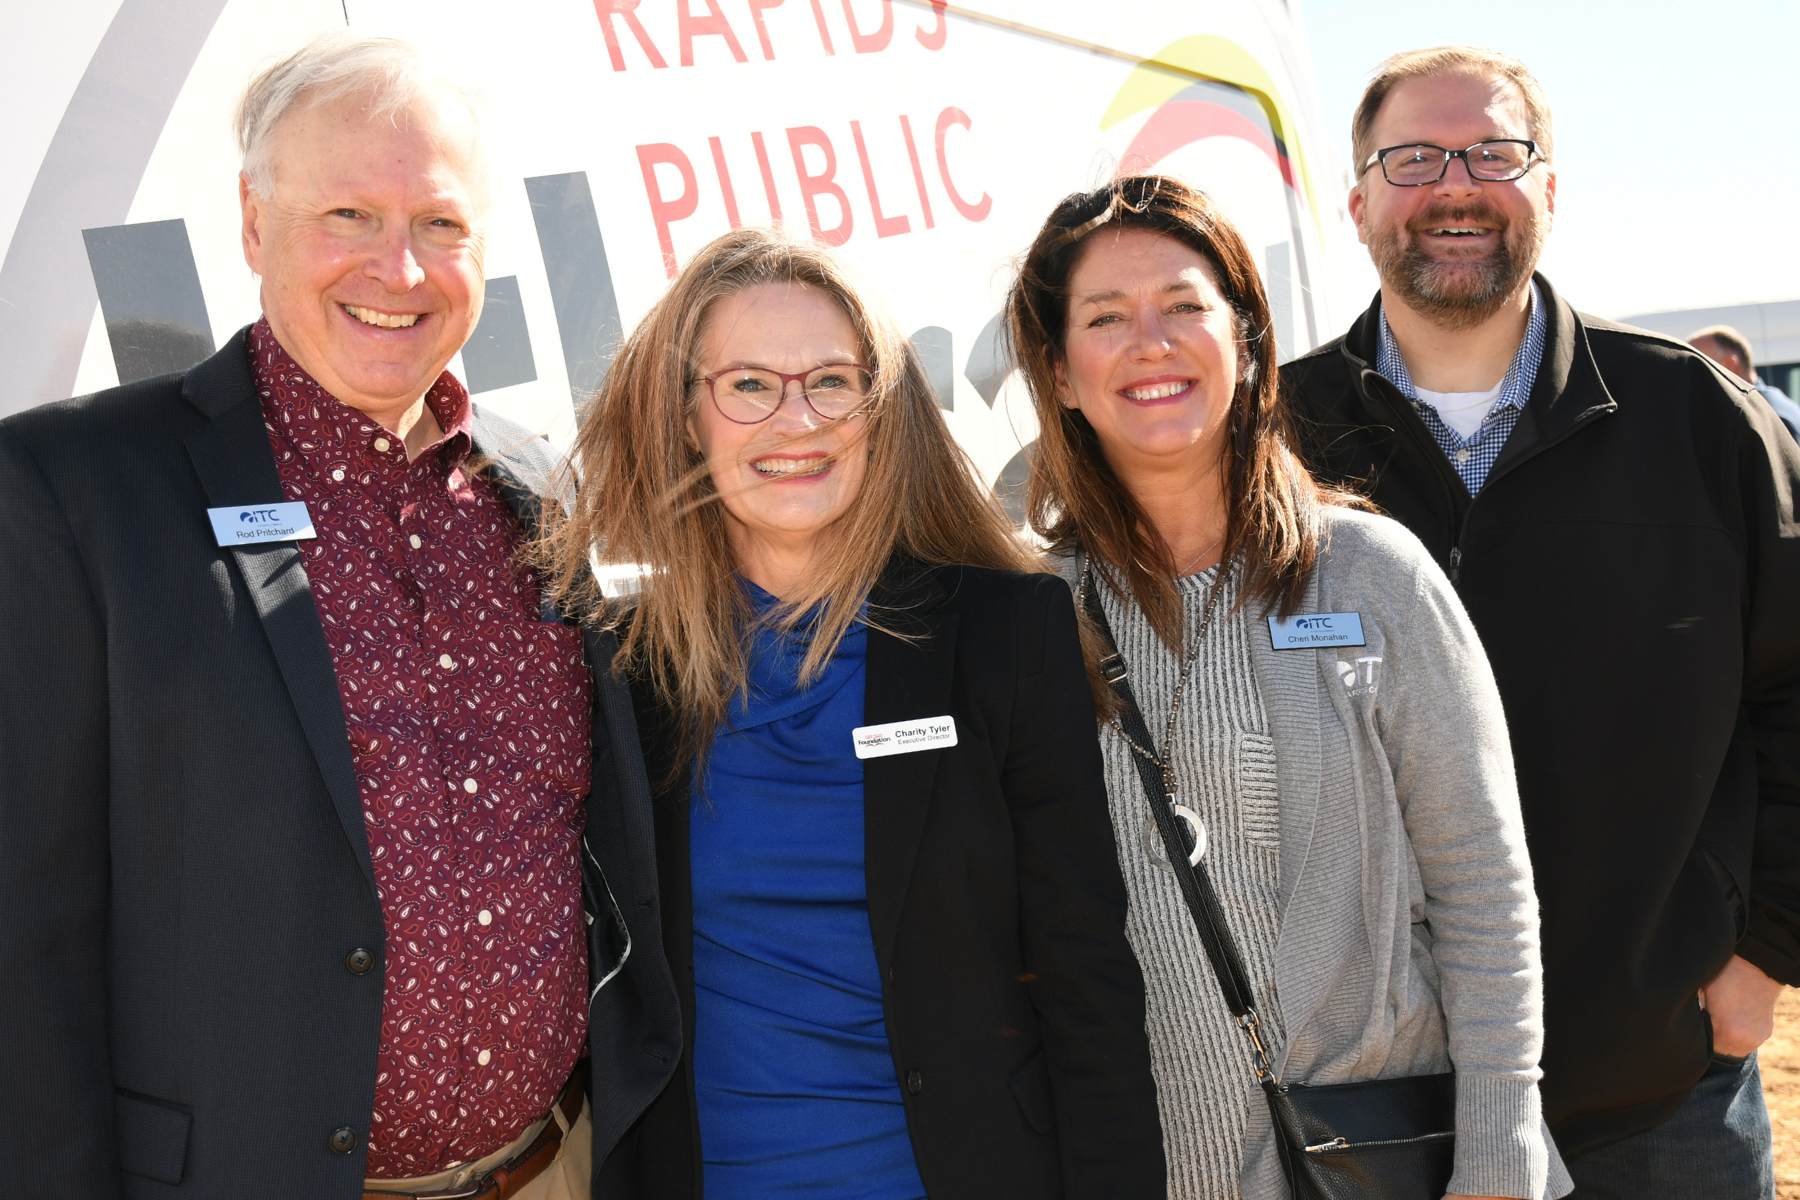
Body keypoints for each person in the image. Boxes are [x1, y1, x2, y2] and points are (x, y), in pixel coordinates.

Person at [0, 33, 663, 1199]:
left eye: (441, 225)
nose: (399, 269)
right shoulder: (73, 489)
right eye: (348, 215)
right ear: (255, 225)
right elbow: (25, 931)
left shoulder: (541, 486)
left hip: (554, 1171)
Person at [542, 226, 1166, 1199]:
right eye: (749, 385)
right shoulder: (622, 661)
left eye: (831, 381)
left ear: (882, 410)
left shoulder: (1006, 635)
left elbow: (1088, 977)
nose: (797, 420)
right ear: (686, 416)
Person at [1281, 45, 1800, 1198]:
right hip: (1373, 1100)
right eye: (1413, 157)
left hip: (1656, 1089)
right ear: (1356, 200)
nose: (1456, 185)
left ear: (1549, 191)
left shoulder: (1697, 421)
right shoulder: (1276, 443)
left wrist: (1766, 951)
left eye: (1495, 153)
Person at [1006, 173, 1568, 1200]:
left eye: (1186, 306)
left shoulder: (1373, 574)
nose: (1152, 341)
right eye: (1105, 318)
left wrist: (1498, 1159)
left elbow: (1484, 891)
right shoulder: (1029, 613)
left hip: (1380, 1162)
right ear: (1061, 373)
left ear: (1247, 342)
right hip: (1139, 1167)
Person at [1690, 324, 1800, 440]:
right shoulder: (1768, 404)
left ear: (1729, 364)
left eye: (1697, 367)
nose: (1692, 378)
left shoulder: (1764, 418)